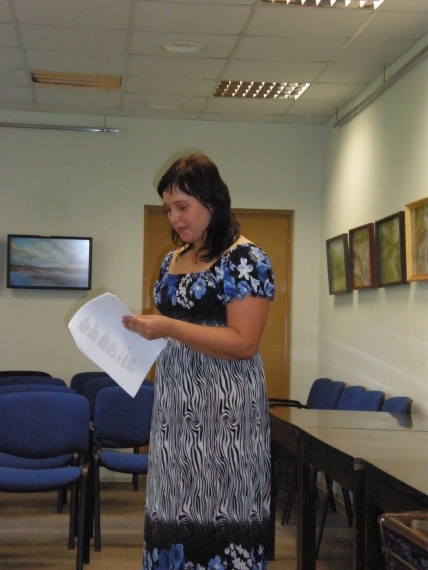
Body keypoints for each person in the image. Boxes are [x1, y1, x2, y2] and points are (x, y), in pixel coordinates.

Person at [122, 154, 275, 570]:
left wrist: (168, 327)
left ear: (211, 202)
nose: (173, 217)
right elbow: (172, 331)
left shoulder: (246, 259)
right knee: (174, 509)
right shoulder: (171, 260)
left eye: (182, 206)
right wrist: (139, 333)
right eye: (168, 208)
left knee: (223, 512)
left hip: (226, 412)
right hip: (175, 409)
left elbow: (244, 343)